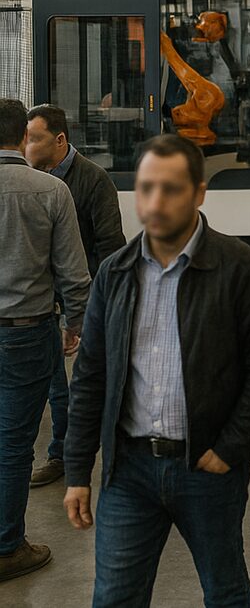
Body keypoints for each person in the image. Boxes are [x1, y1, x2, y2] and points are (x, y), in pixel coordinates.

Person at [64, 134, 250, 605]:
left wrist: (230, 448)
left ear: (199, 193)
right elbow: (90, 378)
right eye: (146, 188)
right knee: (114, 597)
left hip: (206, 468)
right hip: (129, 471)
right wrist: (78, 471)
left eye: (170, 189)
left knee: (225, 592)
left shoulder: (241, 270)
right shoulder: (116, 273)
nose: (155, 202)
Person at [0, 99, 90, 581]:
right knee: (14, 444)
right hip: (27, 331)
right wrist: (74, 323)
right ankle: (6, 546)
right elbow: (74, 275)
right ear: (21, 138)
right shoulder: (51, 191)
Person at [24, 106, 125, 489]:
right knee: (55, 384)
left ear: (60, 140)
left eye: (34, 138)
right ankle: (60, 455)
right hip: (44, 298)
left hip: (88, 294)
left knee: (93, 380)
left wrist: (85, 312)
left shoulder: (93, 181)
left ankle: (104, 453)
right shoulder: (31, 180)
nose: (27, 145)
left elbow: (110, 249)